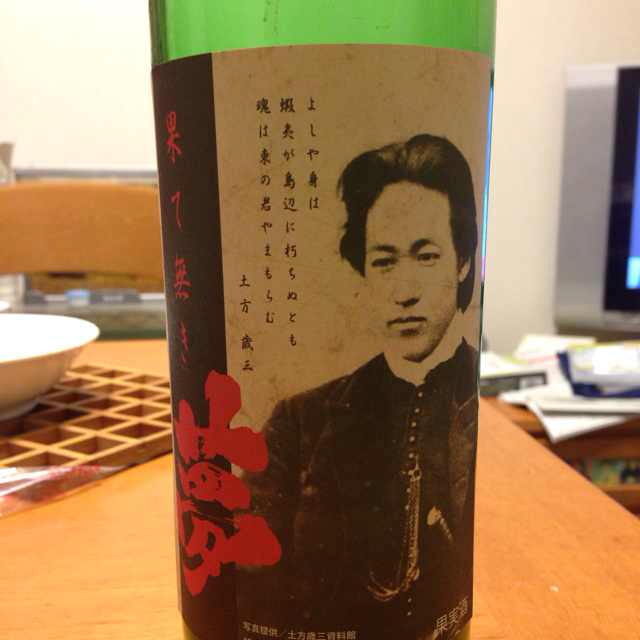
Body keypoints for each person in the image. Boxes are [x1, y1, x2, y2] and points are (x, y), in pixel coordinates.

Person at [238, 134, 480, 640]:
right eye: (384, 262)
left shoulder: (475, 404)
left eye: (426, 256)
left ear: (463, 261)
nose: (404, 291)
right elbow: (245, 577)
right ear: (363, 273)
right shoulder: (301, 422)